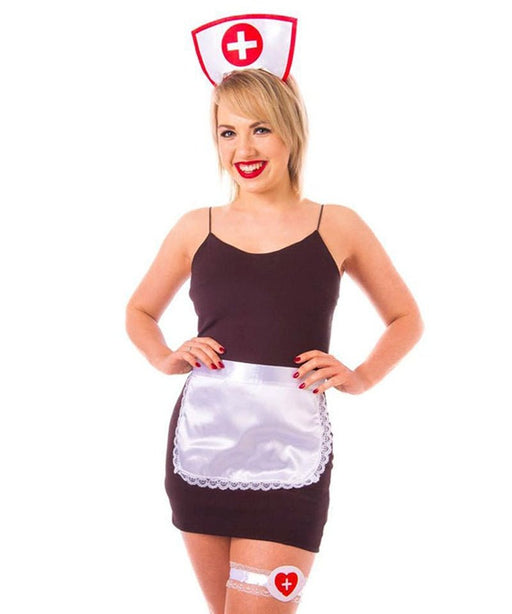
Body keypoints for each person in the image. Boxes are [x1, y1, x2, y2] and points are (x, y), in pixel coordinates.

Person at [125, 16, 423, 614]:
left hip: (291, 456)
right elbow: (139, 310)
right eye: (227, 132)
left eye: (260, 128)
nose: (244, 149)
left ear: (291, 129)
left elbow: (405, 317)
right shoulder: (196, 227)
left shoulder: (337, 224)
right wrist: (164, 356)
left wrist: (362, 376)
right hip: (203, 446)